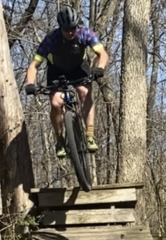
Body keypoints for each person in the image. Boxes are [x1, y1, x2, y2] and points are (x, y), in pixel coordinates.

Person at [24, 5, 109, 158]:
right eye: (67, 29)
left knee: (84, 92)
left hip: (78, 67)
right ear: (60, 27)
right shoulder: (51, 39)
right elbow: (33, 66)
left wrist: (100, 68)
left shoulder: (85, 34)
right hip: (57, 70)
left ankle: (90, 135)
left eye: (73, 28)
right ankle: (60, 139)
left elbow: (102, 53)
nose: (70, 32)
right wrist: (30, 84)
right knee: (56, 103)